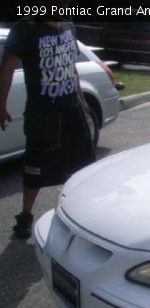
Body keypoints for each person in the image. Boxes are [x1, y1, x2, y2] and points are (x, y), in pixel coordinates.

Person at [0, 6, 95, 239]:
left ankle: (77, 214)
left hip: (71, 108)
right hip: (43, 112)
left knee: (82, 163)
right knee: (36, 165)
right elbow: (8, 67)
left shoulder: (68, 26)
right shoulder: (26, 29)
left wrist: (81, 99)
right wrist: (0, 106)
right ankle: (25, 217)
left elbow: (71, 66)